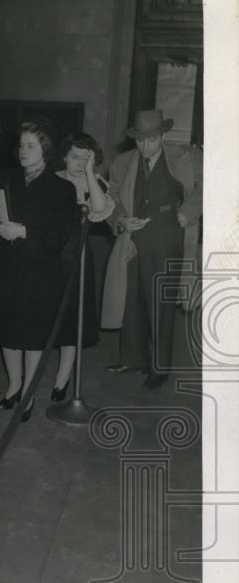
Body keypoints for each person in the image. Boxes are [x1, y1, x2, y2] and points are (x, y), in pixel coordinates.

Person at [0, 120, 79, 421]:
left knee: (32, 334)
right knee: (8, 331)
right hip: (6, 266)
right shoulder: (3, 179)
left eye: (30, 146)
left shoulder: (62, 188)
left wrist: (24, 231)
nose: (23, 151)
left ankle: (29, 393)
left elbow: (60, 235)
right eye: (21, 145)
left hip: (39, 269)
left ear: (46, 150)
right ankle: (14, 385)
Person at [102, 109, 203, 389]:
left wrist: (188, 211)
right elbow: (110, 197)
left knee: (160, 303)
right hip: (132, 240)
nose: (145, 147)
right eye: (140, 141)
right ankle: (133, 358)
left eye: (152, 140)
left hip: (167, 236)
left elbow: (209, 184)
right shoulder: (123, 162)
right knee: (131, 298)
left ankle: (160, 367)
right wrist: (121, 219)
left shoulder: (185, 156)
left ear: (162, 135)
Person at [52, 133, 116, 399]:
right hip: (46, 255)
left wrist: (90, 174)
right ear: (65, 155)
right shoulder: (50, 180)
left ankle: (61, 379)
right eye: (75, 156)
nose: (79, 163)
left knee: (71, 319)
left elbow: (100, 210)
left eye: (86, 158)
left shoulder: (94, 183)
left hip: (76, 255)